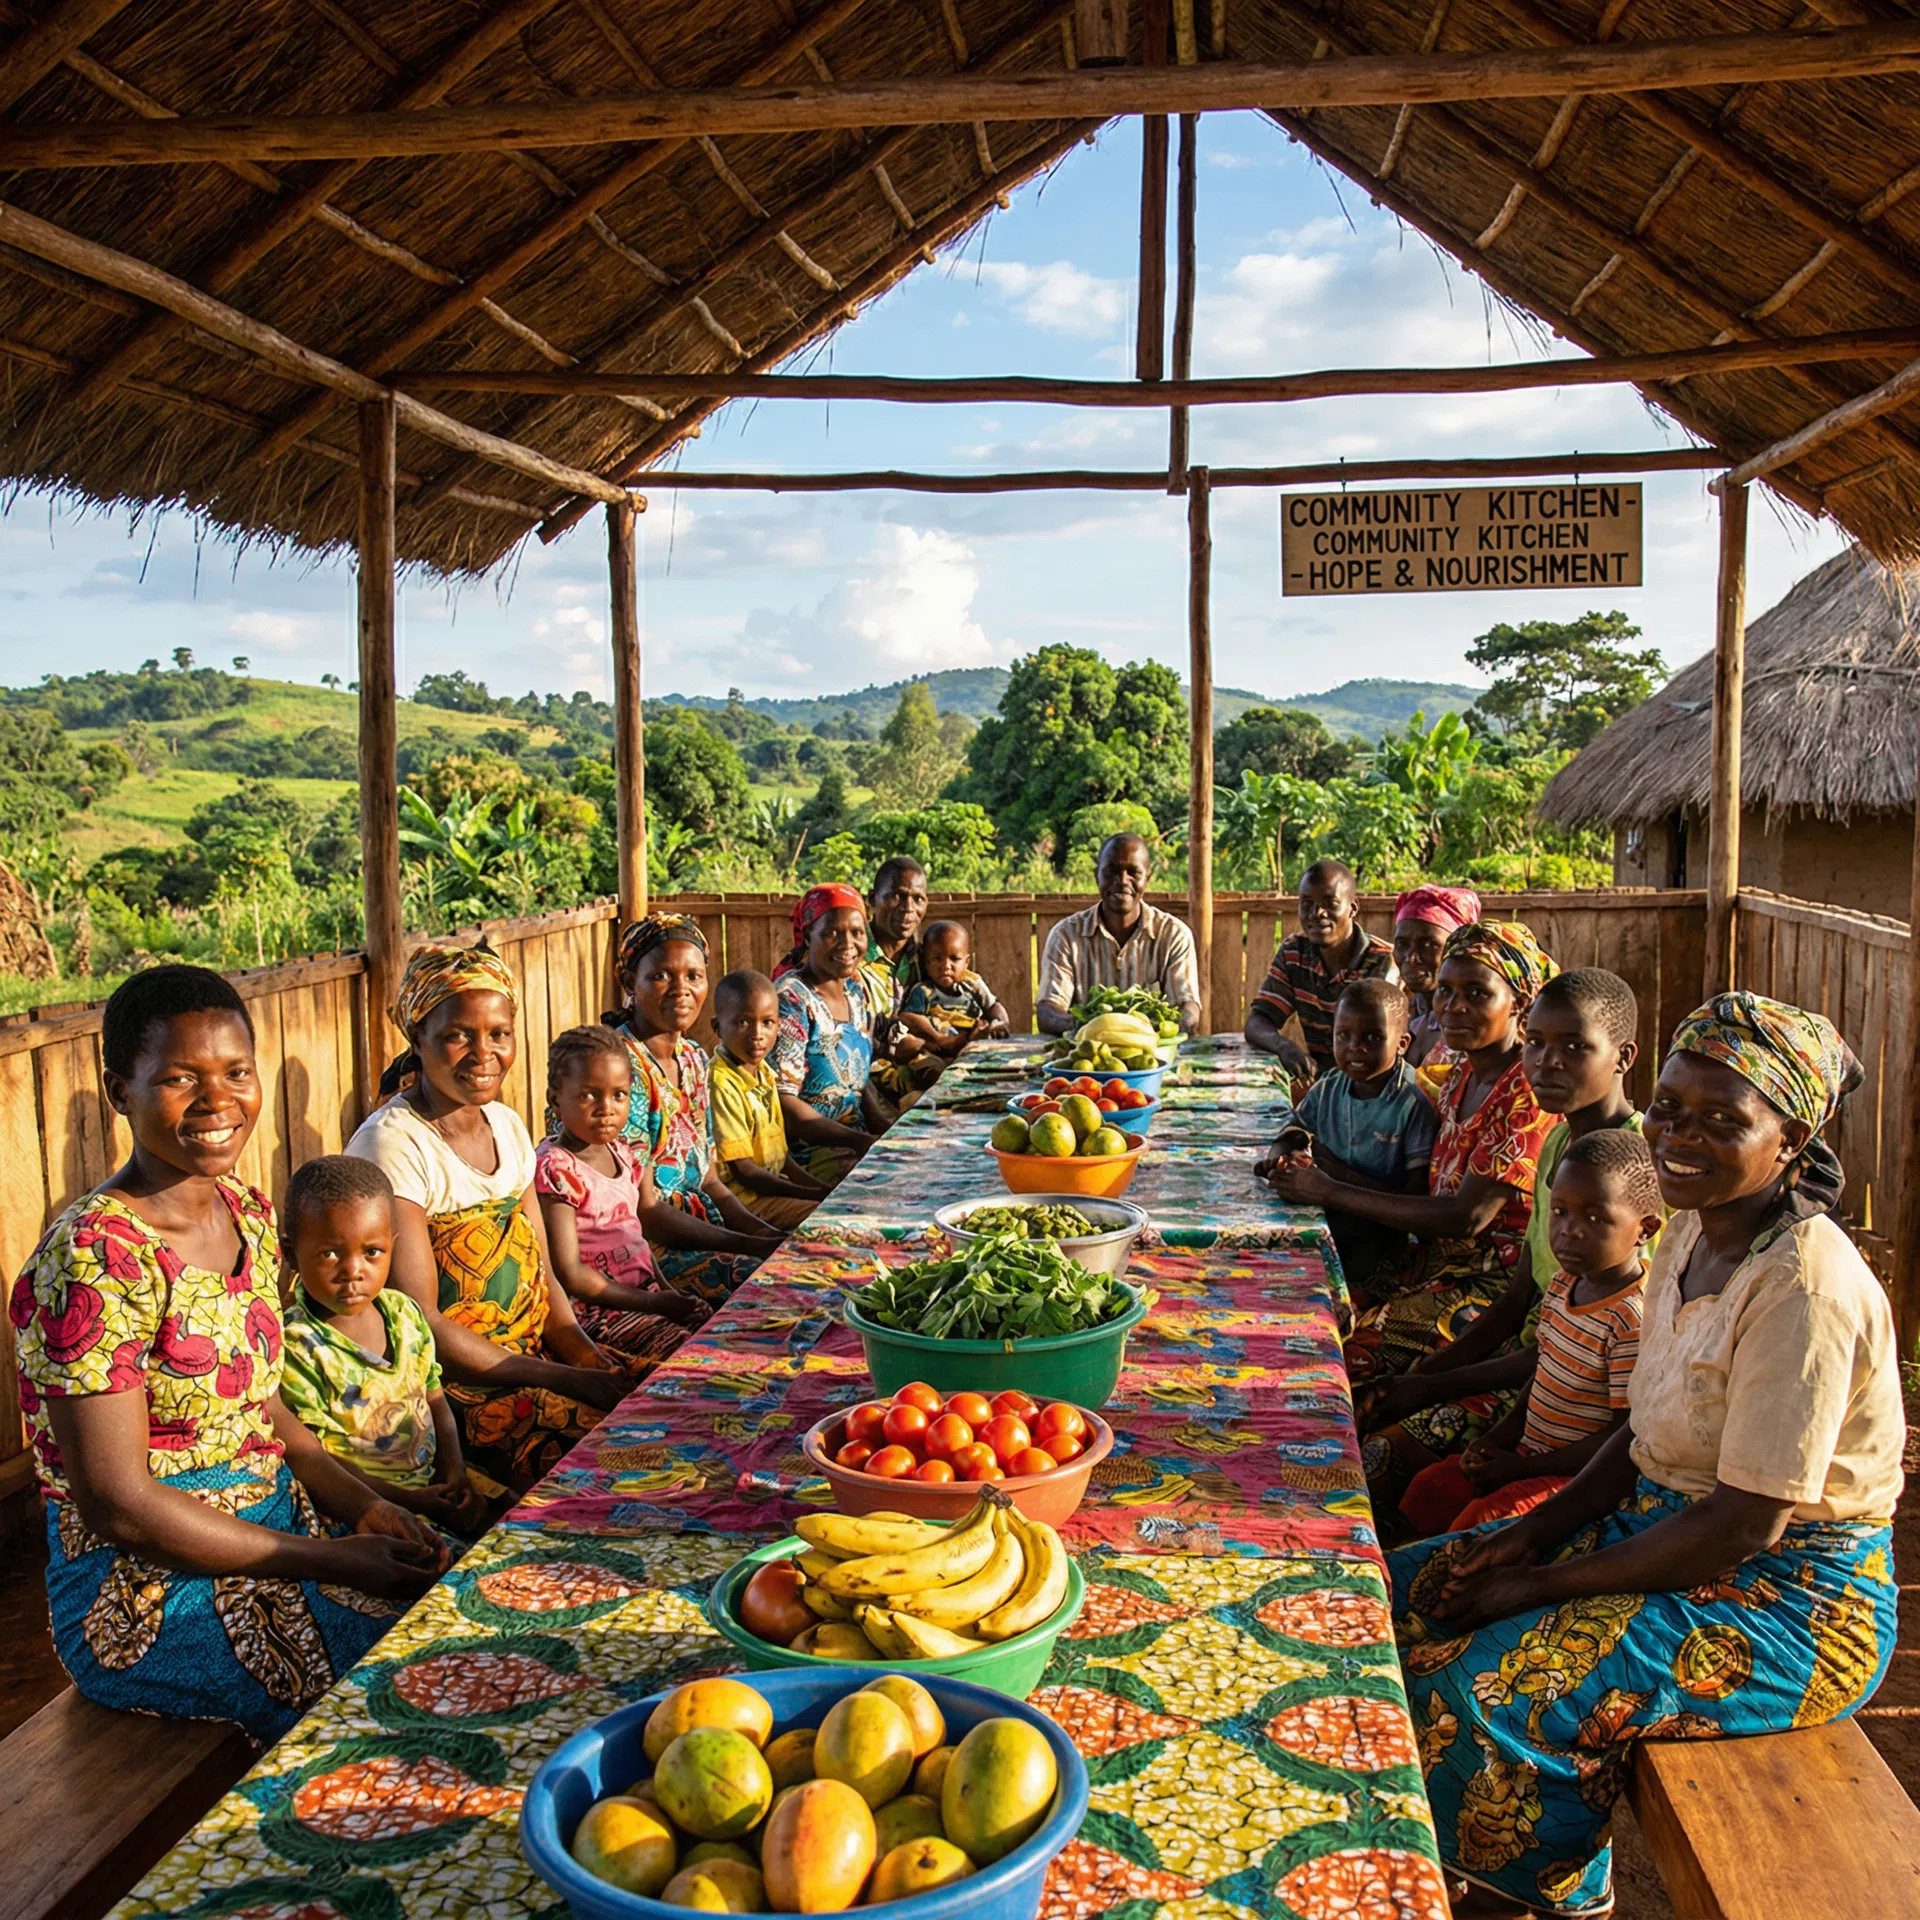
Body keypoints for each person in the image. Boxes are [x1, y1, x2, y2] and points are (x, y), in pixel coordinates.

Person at [1391, 993, 1902, 1919]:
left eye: (1722, 1119)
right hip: (1666, 1531)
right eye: (1669, 1107)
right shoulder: (1692, 1240)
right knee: (1395, 1598)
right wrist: (1538, 1530)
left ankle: (1545, 1899)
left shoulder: (1804, 1290)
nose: (1679, 1135)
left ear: (1788, 1141)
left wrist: (1543, 1583)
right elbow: (1642, 1427)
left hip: (1787, 1601)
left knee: (1478, 1692)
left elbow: (1745, 1523)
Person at [12, 966, 443, 1742]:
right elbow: (120, 1505)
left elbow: (268, 1409)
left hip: (285, 1526)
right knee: (395, 1686)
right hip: (150, 1592)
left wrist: (366, 1507)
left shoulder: (243, 1207)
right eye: (179, 1078)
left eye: (236, 1072)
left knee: (466, 1601)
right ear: (119, 1090)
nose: (218, 1101)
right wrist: (334, 1560)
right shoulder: (93, 1258)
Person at [348, 944, 646, 1495]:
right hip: (462, 1393)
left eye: (499, 1034)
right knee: (620, 1468)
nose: (483, 1054)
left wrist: (590, 1362)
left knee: (670, 1402)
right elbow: (423, 1324)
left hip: (537, 1360)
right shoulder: (393, 1146)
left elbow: (543, 1277)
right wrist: (564, 1379)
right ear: (418, 1040)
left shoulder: (506, 1126)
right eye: (458, 1035)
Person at [1361, 968, 1646, 1503]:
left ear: (1623, 1058)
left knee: (1382, 1461)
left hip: (1574, 1403)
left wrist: (1434, 1384)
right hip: (1528, 1372)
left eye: (1574, 1046)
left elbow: (1579, 1350)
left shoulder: (1637, 1178)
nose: (1546, 1061)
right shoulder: (1560, 1144)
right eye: (1535, 1042)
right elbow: (1521, 1297)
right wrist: (1427, 1377)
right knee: (1367, 1414)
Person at [1271, 921, 1557, 1385]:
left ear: (1519, 1003)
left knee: (1332, 1351)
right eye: (1445, 990)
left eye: (1477, 994)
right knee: (1299, 1302)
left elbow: (1465, 1217)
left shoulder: (1525, 1095)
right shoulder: (1459, 1073)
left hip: (1490, 1284)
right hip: (1432, 1263)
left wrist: (1331, 1188)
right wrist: (1321, 1166)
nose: (1454, 1006)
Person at [1397, 1128, 1658, 1539]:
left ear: (1644, 1229)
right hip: (1526, 1454)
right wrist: (1497, 1440)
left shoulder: (1630, 1319)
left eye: (1595, 1218)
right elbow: (1543, 1375)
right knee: (1430, 1490)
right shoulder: (1563, 1285)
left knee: (1483, 1524)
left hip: (1571, 1479)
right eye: (1559, 1212)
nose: (1569, 1230)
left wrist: (1523, 1469)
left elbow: (1619, 1438)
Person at [279, 1155, 501, 1539]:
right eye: (329, 1253)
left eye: (372, 1252)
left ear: (392, 1245)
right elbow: (319, 1460)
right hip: (364, 1510)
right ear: (290, 1253)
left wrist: (456, 1472)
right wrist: (410, 1502)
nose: (353, 1270)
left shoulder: (403, 1315)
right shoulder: (297, 1345)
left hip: (435, 1488)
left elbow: (434, 1399)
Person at [606, 915, 783, 1307]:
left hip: (704, 1231)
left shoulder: (693, 1058)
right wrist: (749, 1245)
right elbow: (644, 1210)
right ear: (627, 981)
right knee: (772, 1290)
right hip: (646, 1250)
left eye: (694, 976)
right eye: (662, 977)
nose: (681, 990)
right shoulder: (617, 1069)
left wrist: (767, 1236)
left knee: (793, 1264)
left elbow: (710, 1180)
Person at [1254, 979, 1437, 1294]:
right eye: (1344, 1036)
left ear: (1402, 1043)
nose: (1355, 1047)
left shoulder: (1413, 1103)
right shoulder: (1330, 1085)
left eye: (1372, 1037)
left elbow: (1414, 1200)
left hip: (1379, 1242)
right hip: (1328, 1218)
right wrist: (1279, 1159)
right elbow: (1295, 1129)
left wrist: (1337, 1174)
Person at [535, 1024, 704, 1363]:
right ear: (555, 1098)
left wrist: (670, 1295)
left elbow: (637, 1241)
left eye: (619, 1095)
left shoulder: (623, 1154)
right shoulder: (557, 1169)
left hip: (645, 1297)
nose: (606, 1108)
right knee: (689, 1355)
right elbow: (570, 1272)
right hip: (598, 1314)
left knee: (714, 1327)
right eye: (587, 1095)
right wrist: (655, 1304)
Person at [1036, 833, 1202, 1036]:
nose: (1123, 880)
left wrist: (1143, 1033)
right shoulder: (1066, 936)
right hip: (1086, 1056)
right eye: (1111, 871)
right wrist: (1098, 1028)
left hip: (1153, 1054)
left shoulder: (1174, 935)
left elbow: (1189, 1011)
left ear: (1147, 878)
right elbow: (1047, 1012)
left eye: (1134, 872)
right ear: (1096, 874)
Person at [1246, 859, 1398, 1079]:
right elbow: (1258, 1021)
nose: (1317, 913)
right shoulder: (1294, 952)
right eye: (1307, 903)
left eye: (1330, 903)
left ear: (1352, 908)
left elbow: (1378, 1048)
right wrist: (1284, 1047)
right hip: (1325, 1084)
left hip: (1374, 1085)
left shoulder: (1382, 960)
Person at [775, 885, 887, 1183]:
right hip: (809, 1155)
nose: (847, 943)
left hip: (855, 1140)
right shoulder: (792, 1001)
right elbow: (784, 1104)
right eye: (832, 933)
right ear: (809, 935)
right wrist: (862, 1142)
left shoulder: (854, 991)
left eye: (857, 932)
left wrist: (885, 1128)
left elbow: (855, 1086)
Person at [710, 969, 830, 1231]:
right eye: (742, 1022)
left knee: (837, 1203)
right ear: (717, 1027)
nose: (757, 1034)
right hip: (747, 1203)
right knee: (828, 1222)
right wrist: (810, 1195)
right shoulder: (721, 1083)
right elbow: (745, 1171)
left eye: (767, 1022)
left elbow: (782, 1158)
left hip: (772, 1190)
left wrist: (825, 1190)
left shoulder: (764, 1072)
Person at [1390, 884, 1480, 1069]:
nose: (1412, 958)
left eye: (1429, 944)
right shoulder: (1401, 1012)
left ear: (1458, 948)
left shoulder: (1474, 1022)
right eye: (1402, 943)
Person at [894, 920, 1010, 1061]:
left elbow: (993, 1006)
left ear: (966, 962)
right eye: (937, 959)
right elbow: (908, 1017)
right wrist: (939, 1039)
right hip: (938, 1051)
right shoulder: (924, 991)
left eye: (954, 959)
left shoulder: (972, 984)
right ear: (926, 961)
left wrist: (998, 1023)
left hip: (973, 1046)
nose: (946, 966)